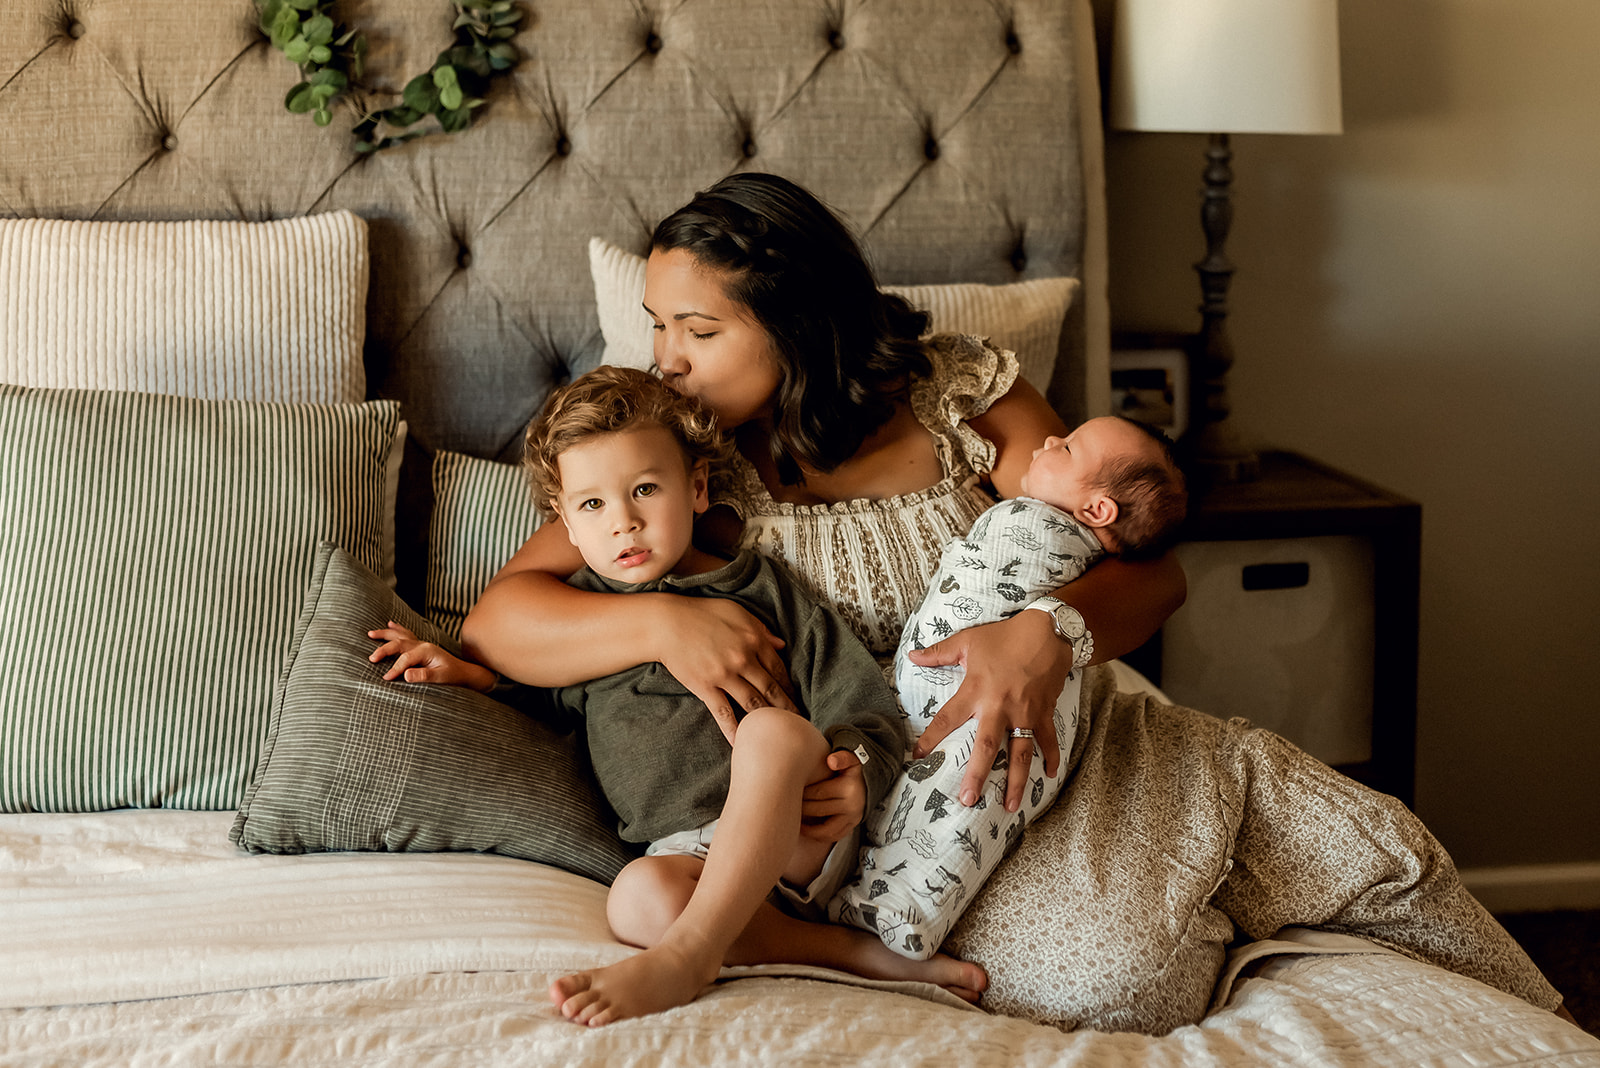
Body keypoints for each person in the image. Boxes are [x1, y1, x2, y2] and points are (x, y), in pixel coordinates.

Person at [462, 173, 1563, 1026]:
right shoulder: (681, 459)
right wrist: (663, 617)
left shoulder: (955, 393)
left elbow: (1145, 563)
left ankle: (1227, 850)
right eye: (658, 326)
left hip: (1040, 730)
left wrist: (1052, 631)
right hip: (880, 798)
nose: (668, 361)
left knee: (1161, 959)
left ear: (797, 321)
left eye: (697, 331)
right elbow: (503, 614)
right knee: (1089, 981)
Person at [373, 365, 987, 1027]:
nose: (624, 524)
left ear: (696, 489)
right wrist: (468, 674)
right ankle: (841, 952)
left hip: (795, 829)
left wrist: (858, 770)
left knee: (771, 732)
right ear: (566, 526)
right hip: (686, 857)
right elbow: (545, 706)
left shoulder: (758, 588)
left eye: (644, 490)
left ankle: (689, 958)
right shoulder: (580, 618)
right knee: (634, 901)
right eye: (593, 506)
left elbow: (856, 693)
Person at [830, 415, 1187, 956]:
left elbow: (1163, 579)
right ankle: (855, 887)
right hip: (897, 704)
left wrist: (1047, 627)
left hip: (1007, 711)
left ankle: (911, 909)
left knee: (970, 796)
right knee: (913, 799)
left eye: (1065, 448)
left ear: (1097, 512)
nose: (1048, 441)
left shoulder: (1056, 533)